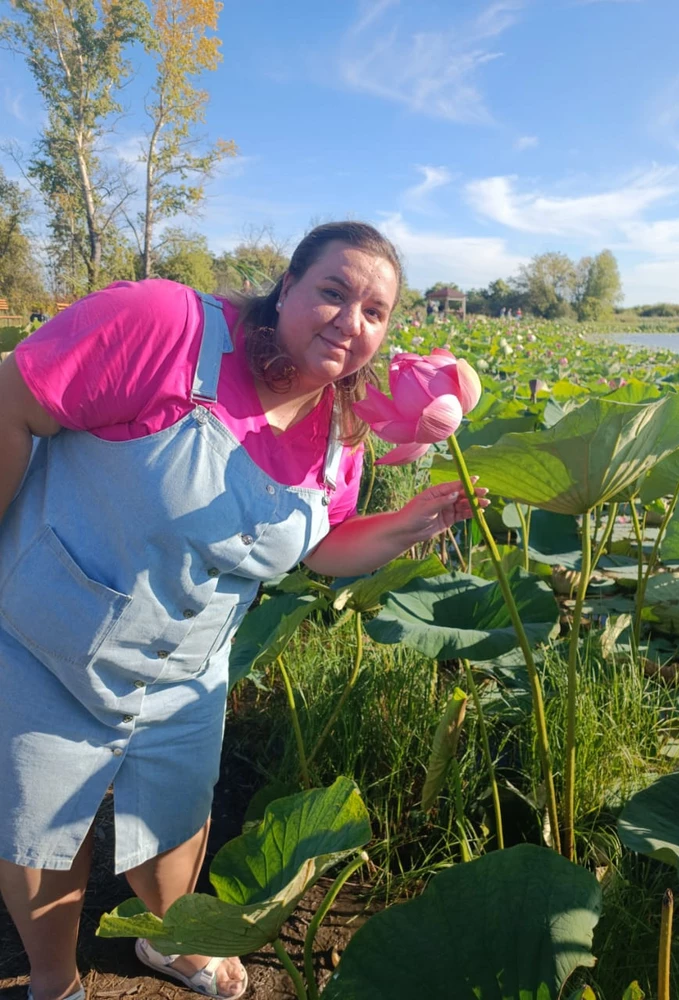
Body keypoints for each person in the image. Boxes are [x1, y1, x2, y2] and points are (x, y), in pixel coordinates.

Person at [0, 221, 488, 1000]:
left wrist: (410, 524)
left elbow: (318, 549)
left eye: (374, 312)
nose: (349, 321)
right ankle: (54, 979)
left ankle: (173, 943)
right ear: (286, 285)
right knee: (39, 825)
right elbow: (14, 398)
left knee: (176, 812)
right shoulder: (167, 327)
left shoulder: (341, 430)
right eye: (333, 291)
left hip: (186, 662)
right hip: (47, 632)